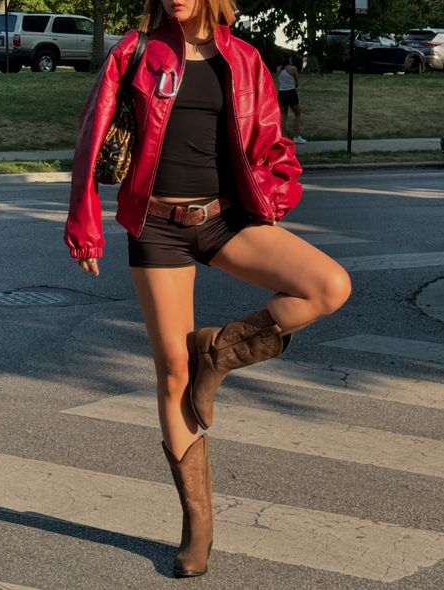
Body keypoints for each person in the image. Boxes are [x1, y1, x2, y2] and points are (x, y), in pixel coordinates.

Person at [65, 0, 351, 578]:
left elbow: (271, 144)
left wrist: (278, 193)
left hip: (225, 219)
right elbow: (91, 134)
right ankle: (198, 525)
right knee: (171, 370)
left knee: (327, 286)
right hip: (156, 226)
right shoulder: (135, 50)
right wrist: (84, 223)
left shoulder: (244, 59)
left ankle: (216, 354)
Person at [278, 56, 307, 143]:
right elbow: (296, 83)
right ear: (289, 60)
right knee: (297, 114)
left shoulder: (278, 69)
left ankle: (284, 137)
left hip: (281, 93)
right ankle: (296, 136)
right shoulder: (293, 69)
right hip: (291, 93)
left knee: (283, 115)